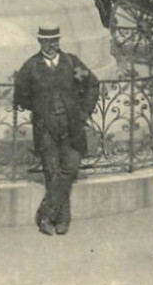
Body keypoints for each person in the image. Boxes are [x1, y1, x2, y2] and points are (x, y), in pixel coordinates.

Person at [14, 25, 99, 235]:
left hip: (72, 126)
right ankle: (62, 220)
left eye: (55, 41)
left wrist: (84, 112)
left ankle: (46, 214)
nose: (52, 45)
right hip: (45, 128)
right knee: (52, 172)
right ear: (40, 42)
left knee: (70, 167)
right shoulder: (31, 67)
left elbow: (92, 84)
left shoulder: (71, 63)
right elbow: (21, 95)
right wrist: (39, 108)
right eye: (47, 41)